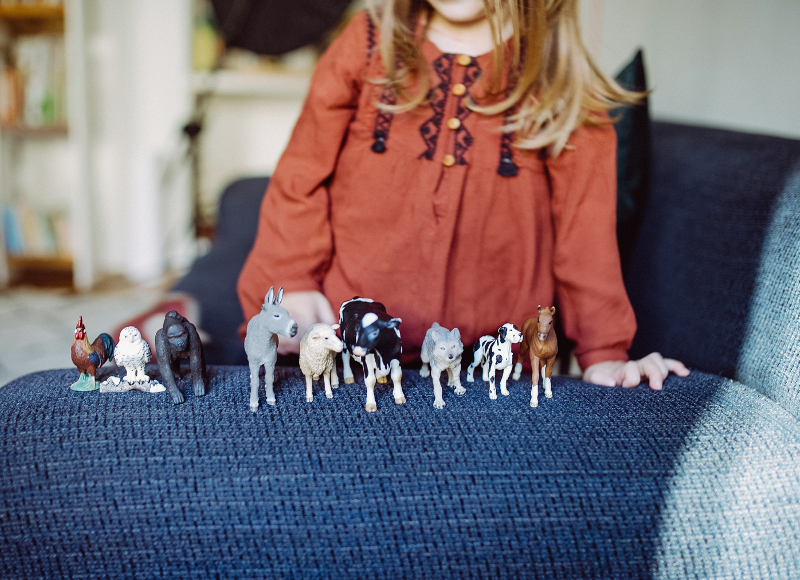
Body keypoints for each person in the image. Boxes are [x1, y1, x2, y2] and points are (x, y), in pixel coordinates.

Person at [237, 0, 689, 390]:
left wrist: (605, 351)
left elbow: (585, 235)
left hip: (487, 373)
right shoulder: (369, 44)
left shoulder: (557, 81)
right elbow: (301, 178)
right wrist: (291, 281)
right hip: (350, 354)